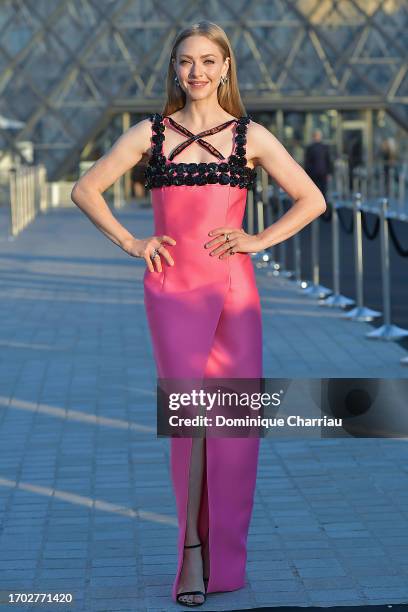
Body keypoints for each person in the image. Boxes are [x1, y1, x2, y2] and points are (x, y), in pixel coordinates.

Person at [71, 20, 327, 608]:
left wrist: (257, 240)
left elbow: (311, 198)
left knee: (234, 424)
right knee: (189, 421)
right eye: (187, 61)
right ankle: (190, 551)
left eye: (209, 61)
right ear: (174, 68)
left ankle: (225, 553)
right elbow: (87, 189)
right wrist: (133, 244)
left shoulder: (251, 136)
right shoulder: (150, 132)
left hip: (235, 289)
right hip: (171, 290)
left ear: (226, 67)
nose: (197, 72)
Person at [304, 128, 333, 201]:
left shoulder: (325, 147)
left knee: (323, 192)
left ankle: (323, 208)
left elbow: (328, 160)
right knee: (315, 192)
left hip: (323, 173)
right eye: (316, 135)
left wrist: (329, 173)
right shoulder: (310, 148)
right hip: (314, 174)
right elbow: (307, 162)